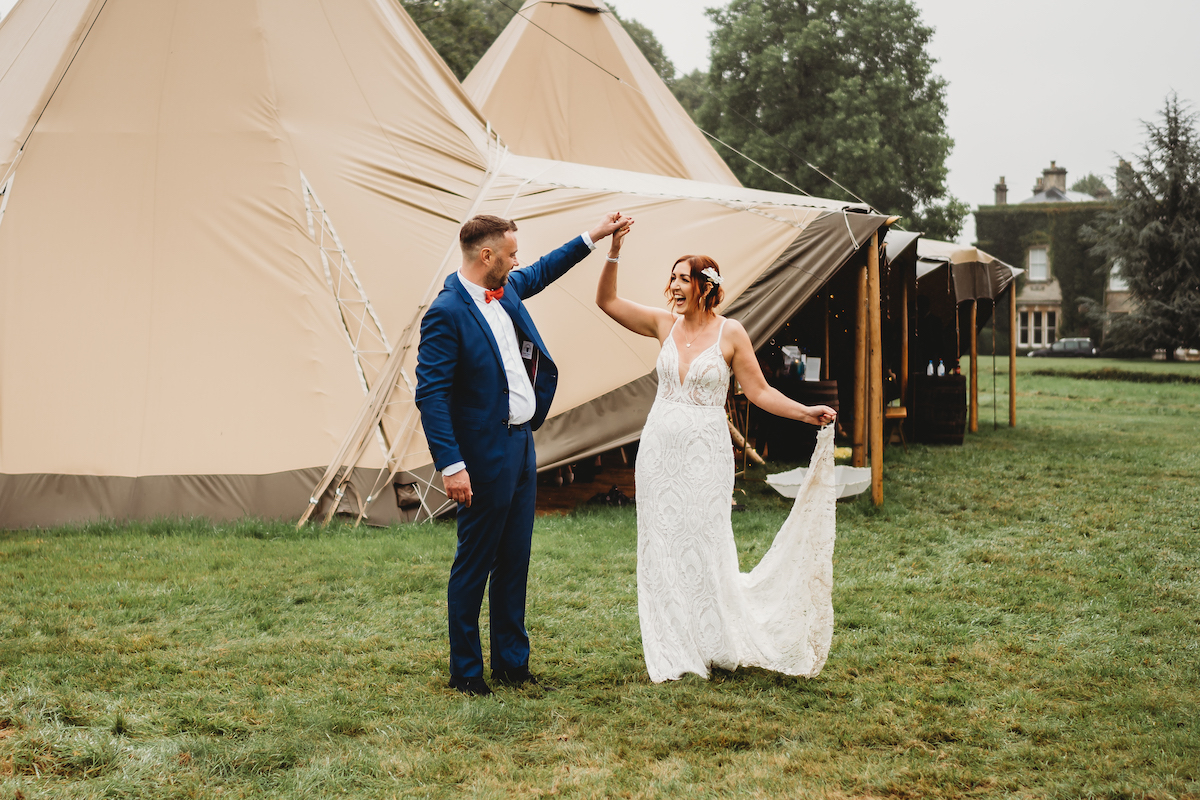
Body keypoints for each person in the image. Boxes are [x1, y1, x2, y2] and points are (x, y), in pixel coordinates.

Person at [595, 225, 840, 683]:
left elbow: (760, 392)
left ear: (705, 287)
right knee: (661, 546)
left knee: (705, 544)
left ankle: (711, 638)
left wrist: (806, 413)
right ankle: (672, 645)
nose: (673, 286)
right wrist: (614, 251)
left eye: (683, 279)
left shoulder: (731, 333)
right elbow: (607, 302)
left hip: (705, 453)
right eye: (672, 279)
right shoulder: (662, 325)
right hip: (659, 452)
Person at [416, 211, 633, 697]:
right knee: (474, 562)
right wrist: (452, 465)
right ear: (486, 255)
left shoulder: (506, 287)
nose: (518, 263)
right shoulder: (446, 312)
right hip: (481, 456)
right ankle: (467, 672)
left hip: (521, 445)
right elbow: (430, 395)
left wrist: (593, 236)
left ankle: (513, 664)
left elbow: (544, 270)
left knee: (515, 559)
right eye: (511, 254)